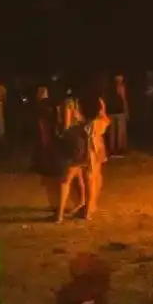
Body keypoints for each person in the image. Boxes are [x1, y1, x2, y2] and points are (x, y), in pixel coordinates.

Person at [56, 93, 109, 223]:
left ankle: (62, 215)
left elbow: (69, 130)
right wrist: (102, 107)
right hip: (96, 151)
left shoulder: (84, 126)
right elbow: (105, 118)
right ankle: (88, 210)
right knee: (93, 179)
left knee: (71, 179)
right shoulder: (99, 123)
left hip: (86, 152)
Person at [104, 73, 129, 157]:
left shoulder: (109, 87)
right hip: (119, 111)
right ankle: (120, 149)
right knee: (120, 131)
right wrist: (126, 112)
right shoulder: (121, 87)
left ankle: (112, 149)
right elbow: (124, 99)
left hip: (111, 111)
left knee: (112, 132)